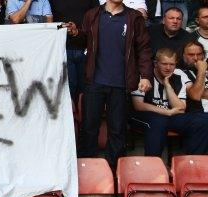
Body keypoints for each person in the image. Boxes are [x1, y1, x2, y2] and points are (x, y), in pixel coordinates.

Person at [67, 0, 153, 168]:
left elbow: (143, 48)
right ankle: (87, 169)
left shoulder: (134, 17)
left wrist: (146, 76)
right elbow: (84, 40)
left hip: (121, 83)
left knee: (117, 130)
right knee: (89, 128)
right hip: (94, 81)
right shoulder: (92, 14)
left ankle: (114, 172)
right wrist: (76, 32)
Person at [131, 48, 208, 155]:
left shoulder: (179, 75)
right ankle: (153, 166)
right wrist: (167, 112)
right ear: (155, 63)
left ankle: (192, 163)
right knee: (158, 121)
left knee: (203, 120)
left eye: (171, 64)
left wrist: (167, 85)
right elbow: (138, 105)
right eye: (164, 64)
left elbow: (180, 108)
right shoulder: (144, 74)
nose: (168, 68)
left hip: (171, 115)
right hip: (146, 115)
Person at [51, 0, 99, 103]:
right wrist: (61, 27)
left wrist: (78, 31)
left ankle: (84, 117)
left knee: (86, 89)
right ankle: (70, 118)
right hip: (62, 49)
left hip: (86, 49)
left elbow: (96, 21)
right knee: (68, 88)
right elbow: (49, 24)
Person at [178, 41, 208, 113]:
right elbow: (195, 95)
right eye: (191, 55)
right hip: (200, 114)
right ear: (183, 56)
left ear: (203, 55)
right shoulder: (179, 72)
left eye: (199, 54)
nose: (196, 58)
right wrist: (201, 70)